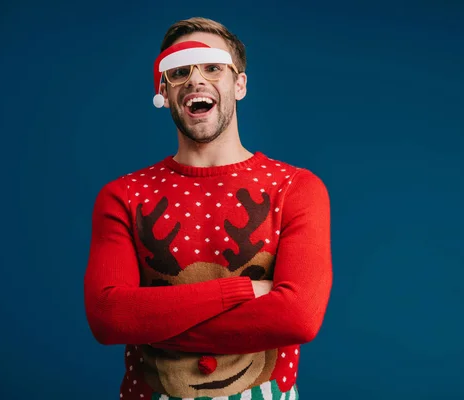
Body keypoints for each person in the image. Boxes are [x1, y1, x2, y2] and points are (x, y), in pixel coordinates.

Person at [84, 17, 333, 400]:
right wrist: (241, 292)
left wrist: (153, 321)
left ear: (240, 84)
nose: (196, 80)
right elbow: (109, 316)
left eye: (212, 67)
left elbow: (298, 317)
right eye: (180, 71)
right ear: (164, 92)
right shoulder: (124, 195)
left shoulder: (296, 188)